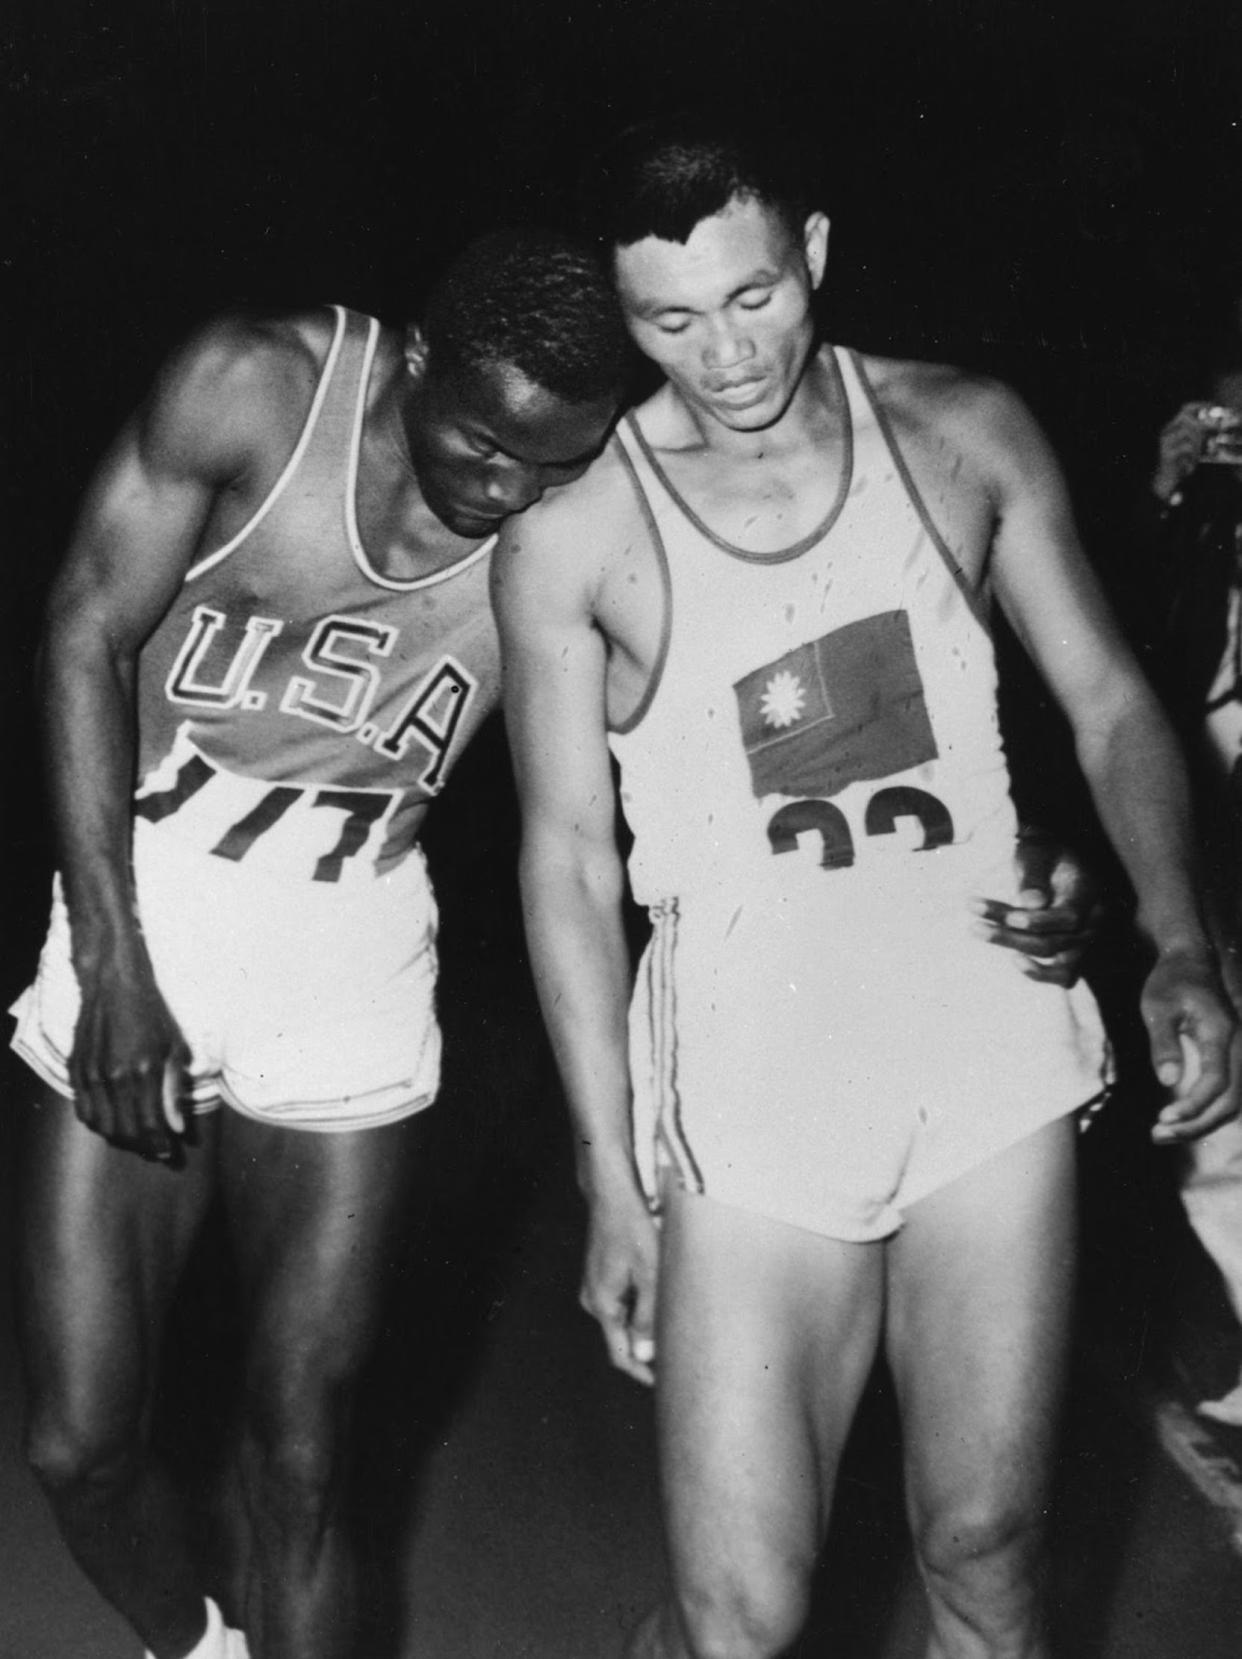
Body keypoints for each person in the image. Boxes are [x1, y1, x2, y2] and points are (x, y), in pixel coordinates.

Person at [494, 114, 1238, 1659]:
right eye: (670, 322)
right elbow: (566, 859)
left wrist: (1178, 938)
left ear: (813, 252)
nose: (724, 354)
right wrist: (605, 1177)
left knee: (982, 1547)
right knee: (742, 1615)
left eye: (752, 297)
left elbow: (1106, 700)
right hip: (752, 1087)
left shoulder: (962, 430)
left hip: (980, 1051)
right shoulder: (578, 532)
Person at [8, 229, 629, 1659]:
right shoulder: (256, 386)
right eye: (481, 441)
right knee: (77, 1440)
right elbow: (81, 635)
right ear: (420, 352)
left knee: (302, 1458)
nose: (505, 489)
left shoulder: (588, 508)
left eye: (552, 462)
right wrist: (115, 966)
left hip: (352, 943)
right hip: (151, 892)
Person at [1140, 363, 1242, 1427]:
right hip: (1215, 834)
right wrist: (1170, 495)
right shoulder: (1205, 532)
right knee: (1215, 1106)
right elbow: (1137, 651)